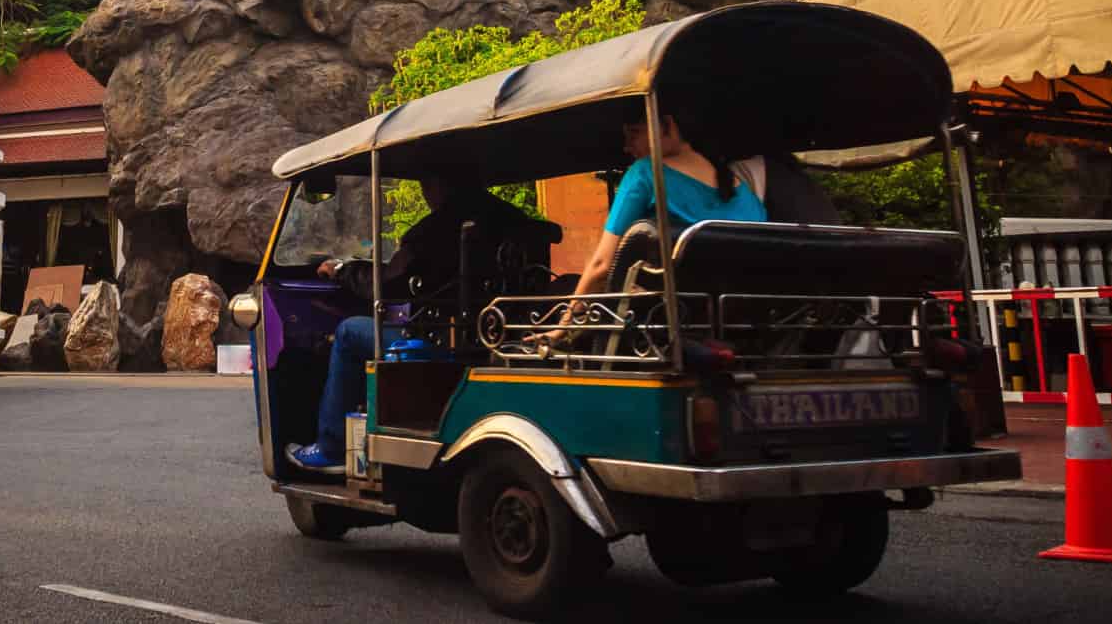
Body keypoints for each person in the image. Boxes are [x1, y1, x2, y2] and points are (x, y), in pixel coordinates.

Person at [285, 172, 539, 475]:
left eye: (425, 185)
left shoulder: (434, 230)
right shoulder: (514, 220)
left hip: (441, 342)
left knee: (350, 330)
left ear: (437, 184)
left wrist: (343, 271)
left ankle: (332, 446)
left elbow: (391, 285)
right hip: (501, 337)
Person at [572, 101, 766, 298]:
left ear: (668, 125)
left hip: (674, 316)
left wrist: (566, 322)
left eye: (634, 133)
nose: (627, 147)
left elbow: (602, 265)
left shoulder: (646, 173)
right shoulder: (746, 195)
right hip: (743, 316)